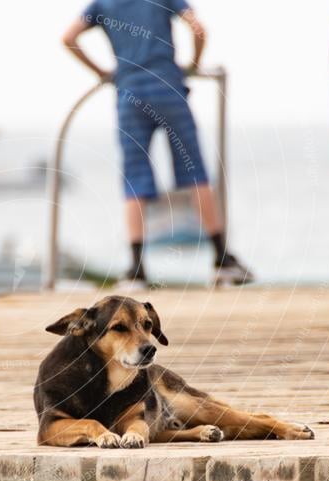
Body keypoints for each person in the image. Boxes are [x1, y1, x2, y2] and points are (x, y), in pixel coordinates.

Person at [61, 0, 253, 288]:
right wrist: (195, 64)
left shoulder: (102, 4)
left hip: (130, 94)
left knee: (134, 179)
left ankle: (136, 269)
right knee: (195, 173)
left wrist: (101, 72)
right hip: (168, 87)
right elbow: (198, 29)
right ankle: (221, 259)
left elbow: (68, 38)